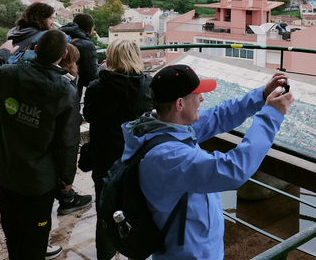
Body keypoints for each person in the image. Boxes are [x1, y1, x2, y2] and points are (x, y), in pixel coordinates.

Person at [122, 64, 294, 260]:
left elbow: (219, 116)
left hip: (191, 244)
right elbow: (233, 169)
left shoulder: (164, 126)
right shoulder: (168, 157)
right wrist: (272, 115)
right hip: (188, 254)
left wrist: (261, 96)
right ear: (180, 104)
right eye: (197, 94)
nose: (202, 98)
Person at [0, 30, 91, 259]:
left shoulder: (9, 72)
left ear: (35, 50)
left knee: (13, 233)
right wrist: (67, 180)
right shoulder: (65, 90)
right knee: (35, 240)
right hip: (37, 181)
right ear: (64, 55)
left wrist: (2, 53)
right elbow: (68, 142)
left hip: (5, 171)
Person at [84, 40, 154, 260]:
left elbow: (88, 115)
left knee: (105, 215)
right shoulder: (148, 86)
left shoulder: (97, 87)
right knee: (139, 211)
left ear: (111, 57)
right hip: (138, 162)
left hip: (105, 160)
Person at [0, 2, 55, 200]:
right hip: (11, 93)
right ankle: (12, 181)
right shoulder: (41, 37)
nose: (53, 22)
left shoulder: (15, 32)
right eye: (51, 18)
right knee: (16, 140)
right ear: (43, 19)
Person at [60, 13, 99, 95]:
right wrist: (102, 68)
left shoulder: (59, 36)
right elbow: (90, 78)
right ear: (91, 30)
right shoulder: (87, 46)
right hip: (71, 92)